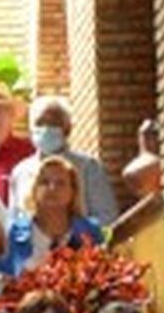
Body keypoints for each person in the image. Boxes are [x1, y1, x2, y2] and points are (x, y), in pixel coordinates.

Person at [7, 93, 118, 224]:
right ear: (31, 129)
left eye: (54, 123)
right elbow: (13, 220)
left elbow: (107, 217)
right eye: (40, 123)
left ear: (68, 129)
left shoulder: (88, 168)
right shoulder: (20, 172)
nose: (46, 128)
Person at [2, 153, 103, 275]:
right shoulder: (14, 233)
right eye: (44, 182)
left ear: (73, 191)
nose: (52, 188)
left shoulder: (90, 231)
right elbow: (5, 279)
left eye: (60, 183)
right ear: (34, 190)